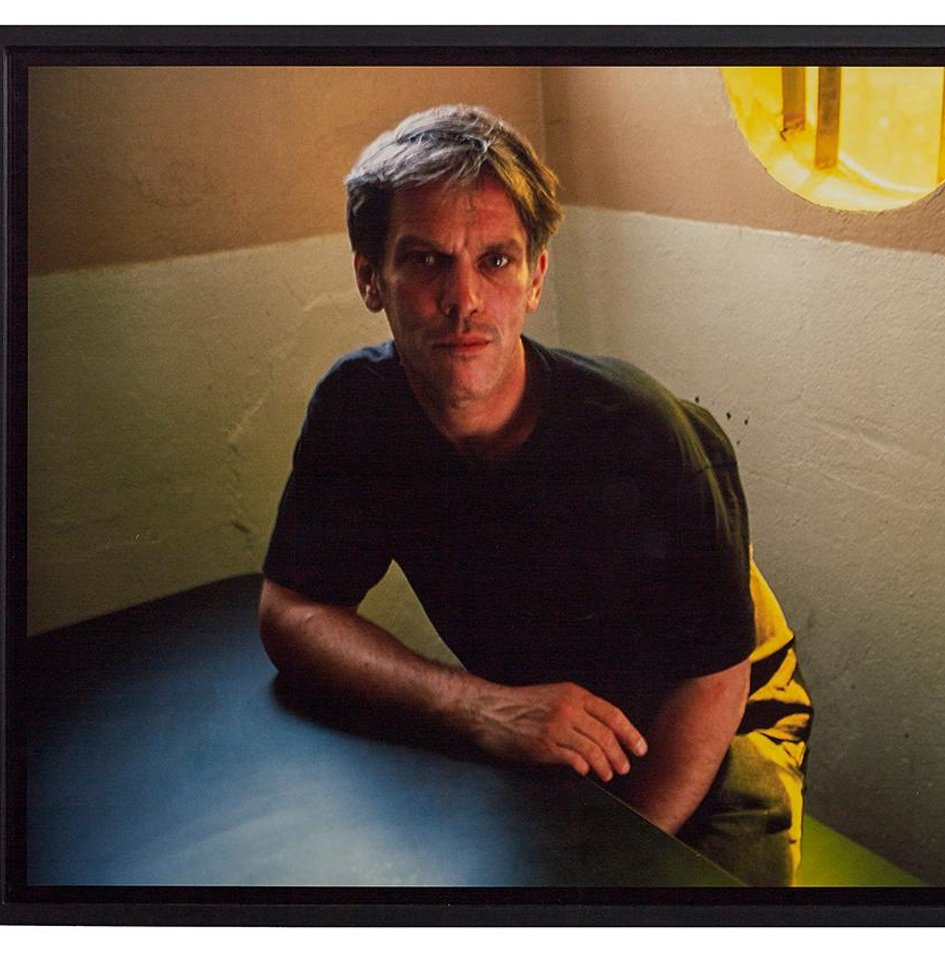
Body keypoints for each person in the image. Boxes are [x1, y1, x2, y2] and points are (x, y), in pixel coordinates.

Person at [259, 104, 812, 886]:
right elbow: (293, 611)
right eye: (425, 260)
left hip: (725, 721)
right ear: (369, 278)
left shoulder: (643, 434)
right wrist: (477, 706)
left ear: (535, 278)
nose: (464, 299)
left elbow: (717, 680)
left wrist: (617, 858)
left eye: (495, 260)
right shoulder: (359, 413)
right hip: (548, 721)